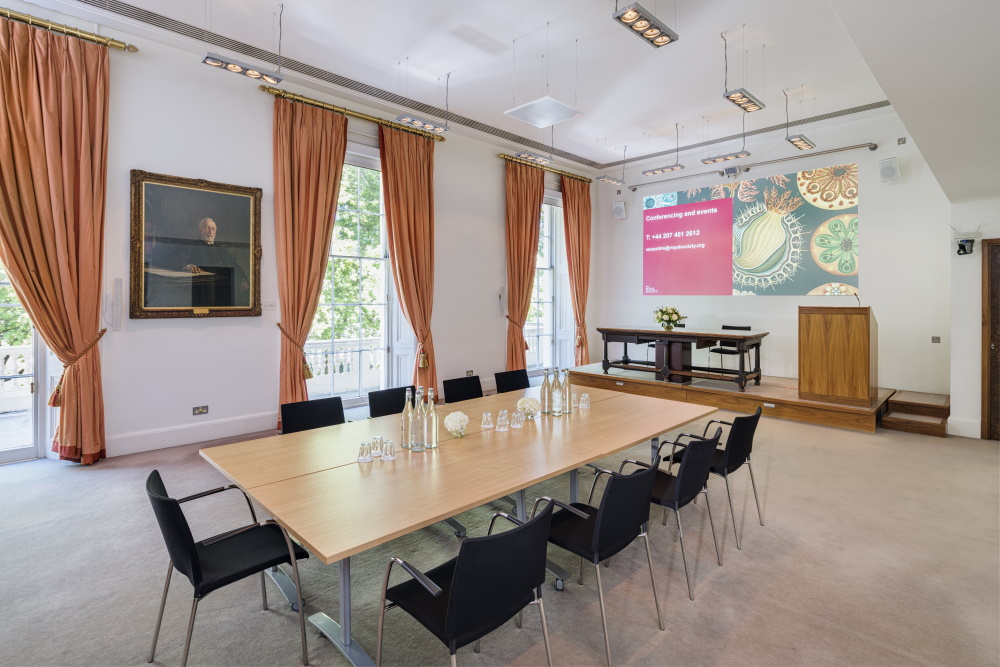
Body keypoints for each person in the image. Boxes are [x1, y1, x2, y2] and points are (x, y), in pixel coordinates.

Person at [172, 217, 251, 307]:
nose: (210, 231)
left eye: (213, 229)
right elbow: (177, 261)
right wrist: (188, 265)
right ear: (200, 230)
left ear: (215, 232)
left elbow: (235, 266)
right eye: (207, 228)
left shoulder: (221, 250)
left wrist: (243, 279)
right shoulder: (192, 246)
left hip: (222, 289)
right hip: (203, 289)